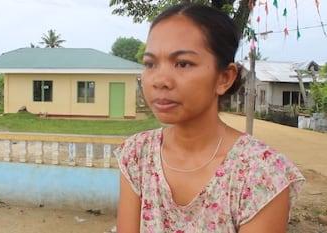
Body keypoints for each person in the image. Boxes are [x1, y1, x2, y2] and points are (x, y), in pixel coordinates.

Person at [114, 2, 305, 233]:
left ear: (224, 77)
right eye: (150, 64)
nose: (159, 80)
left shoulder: (261, 173)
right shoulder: (137, 155)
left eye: (182, 63)